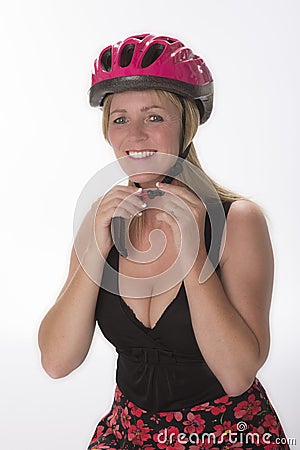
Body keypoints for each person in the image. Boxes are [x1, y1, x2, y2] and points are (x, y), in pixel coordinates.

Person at [38, 33, 290, 449]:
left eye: (154, 117)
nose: (135, 135)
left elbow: (236, 374)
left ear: (185, 125)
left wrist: (193, 257)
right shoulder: (100, 219)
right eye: (119, 119)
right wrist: (95, 250)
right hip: (127, 435)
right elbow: (56, 361)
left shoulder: (237, 222)